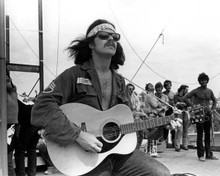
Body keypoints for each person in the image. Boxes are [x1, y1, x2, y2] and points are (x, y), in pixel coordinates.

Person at [31, 19, 173, 176]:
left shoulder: (120, 81)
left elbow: (127, 123)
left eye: (115, 37)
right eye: (104, 35)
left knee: (161, 173)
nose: (111, 39)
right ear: (91, 44)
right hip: (84, 157)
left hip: (118, 154)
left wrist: (163, 123)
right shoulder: (74, 75)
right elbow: (41, 106)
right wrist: (78, 135)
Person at [183, 72, 218, 162]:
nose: (203, 82)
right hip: (199, 114)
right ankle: (201, 155)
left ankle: (209, 154)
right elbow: (185, 98)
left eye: (205, 80)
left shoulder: (210, 91)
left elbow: (214, 100)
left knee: (208, 134)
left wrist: (213, 109)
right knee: (199, 134)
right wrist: (193, 105)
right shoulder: (196, 91)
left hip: (208, 114)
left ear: (207, 81)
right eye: (202, 80)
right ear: (199, 81)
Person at [14, 99, 40, 176]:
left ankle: (21, 174)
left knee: (20, 150)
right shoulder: (26, 100)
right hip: (37, 123)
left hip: (26, 125)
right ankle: (32, 173)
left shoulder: (14, 100)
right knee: (32, 149)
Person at [6, 73, 18, 176]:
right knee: (8, 156)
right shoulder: (13, 92)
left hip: (8, 126)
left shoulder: (6, 94)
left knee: (7, 157)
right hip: (12, 126)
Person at [174, 85, 190, 151]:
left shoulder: (187, 96)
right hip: (179, 113)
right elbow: (176, 104)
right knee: (179, 128)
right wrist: (183, 104)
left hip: (185, 112)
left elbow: (188, 104)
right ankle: (177, 145)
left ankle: (185, 145)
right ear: (182, 89)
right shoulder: (176, 96)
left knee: (186, 128)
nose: (187, 91)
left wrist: (181, 104)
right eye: (186, 89)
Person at [163, 80, 176, 147]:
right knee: (165, 127)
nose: (169, 86)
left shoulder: (173, 94)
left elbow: (174, 102)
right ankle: (165, 141)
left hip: (171, 111)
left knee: (173, 126)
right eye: (167, 85)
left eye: (169, 85)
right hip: (165, 111)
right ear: (165, 86)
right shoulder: (163, 94)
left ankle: (174, 141)